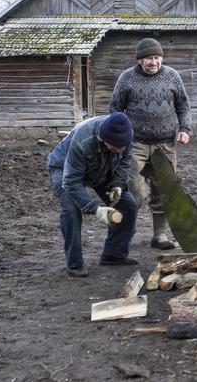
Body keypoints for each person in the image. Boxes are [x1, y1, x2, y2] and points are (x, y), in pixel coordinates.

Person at [108, 38, 192, 250]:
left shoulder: (172, 76)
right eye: (148, 59)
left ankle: (160, 235)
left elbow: (183, 105)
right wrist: (121, 136)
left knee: (164, 189)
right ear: (140, 60)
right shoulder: (127, 79)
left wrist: (185, 129)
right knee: (135, 191)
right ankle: (124, 234)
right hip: (135, 144)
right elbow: (115, 109)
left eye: (156, 58)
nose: (153, 62)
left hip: (166, 144)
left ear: (161, 58)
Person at [47, 112, 139, 277]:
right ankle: (74, 264)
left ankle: (114, 255)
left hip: (101, 168)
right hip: (64, 169)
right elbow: (71, 181)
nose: (119, 149)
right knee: (71, 212)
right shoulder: (82, 141)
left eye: (122, 146)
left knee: (129, 205)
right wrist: (96, 209)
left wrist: (117, 185)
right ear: (102, 139)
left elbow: (125, 160)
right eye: (115, 146)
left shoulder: (126, 137)